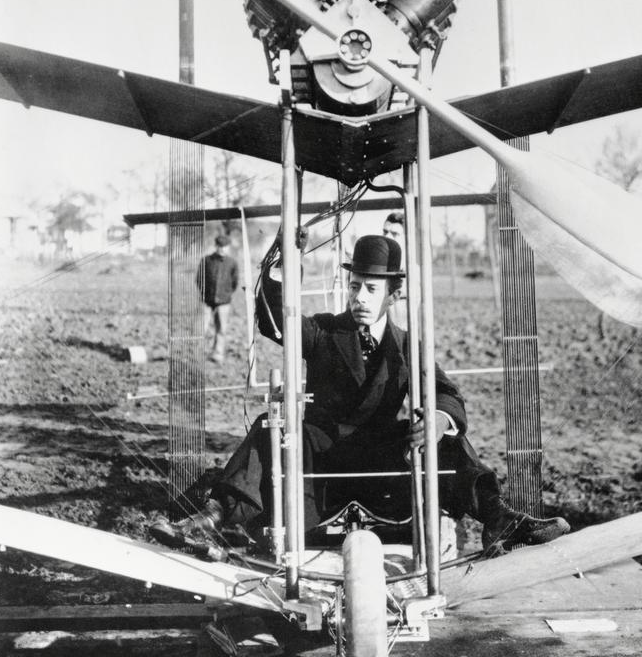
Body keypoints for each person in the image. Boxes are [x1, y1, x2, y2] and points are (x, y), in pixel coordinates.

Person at [152, 235, 568, 555]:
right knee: (269, 427)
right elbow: (272, 321)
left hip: (384, 460)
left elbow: (446, 392)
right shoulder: (322, 331)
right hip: (322, 456)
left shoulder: (407, 346)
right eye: (354, 287)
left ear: (394, 294)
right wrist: (279, 265)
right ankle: (212, 517)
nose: (359, 298)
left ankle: (499, 518)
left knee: (449, 438)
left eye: (371, 289)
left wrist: (440, 419)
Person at [196, 234, 239, 364]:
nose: (222, 249)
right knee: (201, 328)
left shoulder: (232, 263)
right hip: (207, 301)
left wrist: (226, 294)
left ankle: (218, 354)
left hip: (224, 302)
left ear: (228, 247)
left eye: (225, 247)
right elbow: (199, 279)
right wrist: (205, 293)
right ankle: (197, 354)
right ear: (216, 246)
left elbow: (235, 282)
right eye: (220, 246)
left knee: (221, 329)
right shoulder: (206, 260)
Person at [381, 212, 408, 329]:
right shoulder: (380, 264)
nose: (387, 237)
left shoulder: (414, 270)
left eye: (395, 234)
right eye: (385, 232)